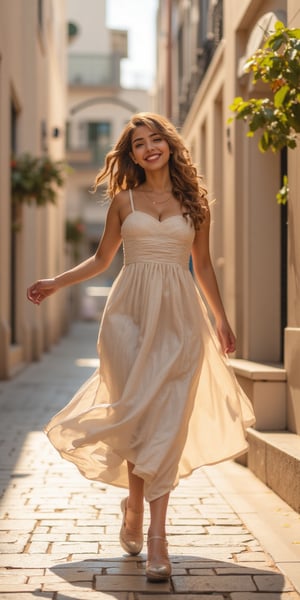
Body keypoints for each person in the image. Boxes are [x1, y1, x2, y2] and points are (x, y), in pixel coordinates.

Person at [27, 112, 255, 582]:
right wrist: (56, 282)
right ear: (130, 155)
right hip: (127, 316)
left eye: (156, 139)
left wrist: (221, 318)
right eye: (138, 144)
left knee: (167, 419)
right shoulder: (123, 200)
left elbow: (204, 267)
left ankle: (156, 536)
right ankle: (134, 507)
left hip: (180, 318)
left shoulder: (196, 203)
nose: (149, 148)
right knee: (136, 412)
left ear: (170, 145)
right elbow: (101, 259)